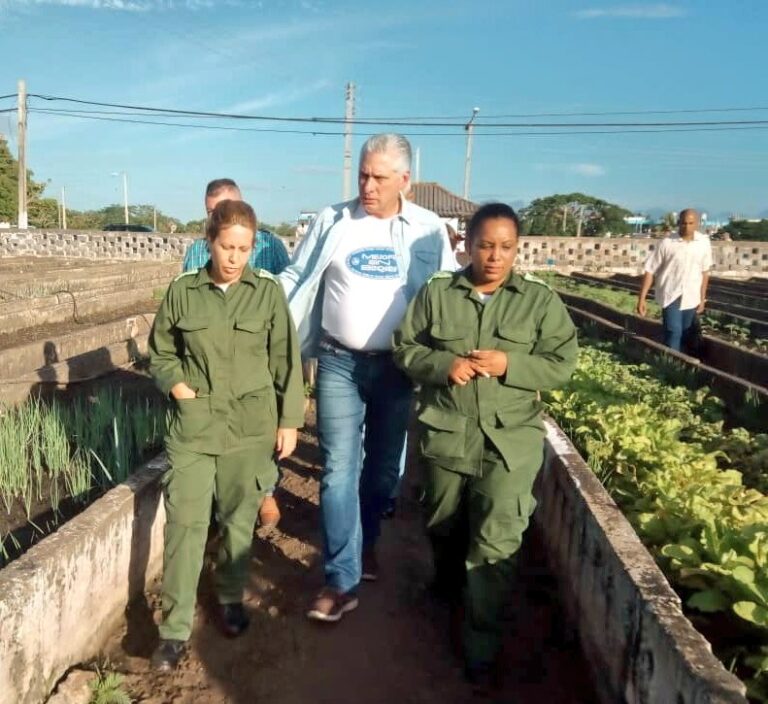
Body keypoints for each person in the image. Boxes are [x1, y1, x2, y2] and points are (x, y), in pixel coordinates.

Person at [392, 203, 578, 690]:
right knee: (444, 523)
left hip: (509, 442)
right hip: (448, 434)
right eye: (485, 245)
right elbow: (405, 347)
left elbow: (561, 364)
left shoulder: (538, 301)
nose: (495, 257)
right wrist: (443, 365)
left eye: (506, 247)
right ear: (466, 245)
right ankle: (449, 587)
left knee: (497, 541)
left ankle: (480, 646)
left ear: (517, 249)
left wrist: (510, 364)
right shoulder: (438, 294)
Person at [279, 133, 455, 622]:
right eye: (362, 174)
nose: (368, 185)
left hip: (398, 367)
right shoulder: (332, 221)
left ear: (404, 180)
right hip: (338, 361)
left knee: (383, 472)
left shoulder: (428, 229)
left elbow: (447, 290)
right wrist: (257, 301)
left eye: (379, 177)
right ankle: (341, 580)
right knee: (339, 469)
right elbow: (296, 277)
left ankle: (368, 542)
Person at [149, 200, 304, 671]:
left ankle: (231, 597)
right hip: (194, 428)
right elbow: (160, 352)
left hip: (250, 428)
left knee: (238, 519)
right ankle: (174, 631)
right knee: (186, 525)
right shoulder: (183, 292)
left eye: (244, 248)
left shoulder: (267, 294)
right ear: (209, 243)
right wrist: (176, 384)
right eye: (227, 247)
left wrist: (289, 420)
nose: (235, 258)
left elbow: (286, 361)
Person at [183, 178, 290, 528]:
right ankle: (223, 505)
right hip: (211, 358)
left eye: (226, 208)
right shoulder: (197, 251)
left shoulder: (269, 246)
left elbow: (283, 294)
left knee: (260, 424)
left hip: (254, 350)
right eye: (212, 212)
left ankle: (266, 492)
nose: (220, 216)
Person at [636, 208, 712, 352]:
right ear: (678, 223)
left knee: (686, 332)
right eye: (684, 223)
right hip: (670, 294)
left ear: (697, 224)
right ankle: (670, 362)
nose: (687, 227)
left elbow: (705, 272)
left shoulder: (703, 243)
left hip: (691, 295)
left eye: (690, 223)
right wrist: (642, 299)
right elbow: (650, 270)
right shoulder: (667, 243)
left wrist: (702, 299)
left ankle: (680, 363)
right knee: (673, 331)